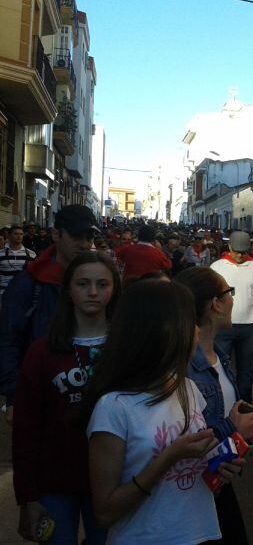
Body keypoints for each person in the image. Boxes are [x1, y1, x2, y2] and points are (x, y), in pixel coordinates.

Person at [84, 280, 243, 544]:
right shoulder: (114, 407)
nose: (196, 331)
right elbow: (104, 512)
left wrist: (221, 466)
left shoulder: (188, 389)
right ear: (162, 331)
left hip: (200, 533)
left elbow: (191, 473)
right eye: (189, 322)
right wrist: (168, 458)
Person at [13, 252, 120, 545]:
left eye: (103, 284)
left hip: (113, 481)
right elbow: (26, 427)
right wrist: (27, 496)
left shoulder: (125, 348)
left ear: (114, 289)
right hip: (55, 480)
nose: (93, 292)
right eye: (83, 283)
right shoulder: (42, 352)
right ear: (69, 289)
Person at [174, 266, 253, 545]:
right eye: (230, 293)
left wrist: (244, 429)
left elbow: (225, 408)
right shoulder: (185, 365)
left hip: (218, 485)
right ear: (216, 304)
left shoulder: (217, 354)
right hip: (193, 493)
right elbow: (178, 435)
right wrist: (233, 427)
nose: (233, 299)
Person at [0, 205, 98, 424]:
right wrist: (14, 396)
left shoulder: (99, 281)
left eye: (89, 236)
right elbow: (9, 340)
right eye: (75, 236)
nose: (84, 244)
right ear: (56, 234)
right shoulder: (29, 284)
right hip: (40, 395)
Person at [210, 231, 253, 401]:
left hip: (249, 328)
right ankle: (222, 404)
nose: (239, 255)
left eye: (244, 252)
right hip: (223, 328)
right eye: (236, 251)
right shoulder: (217, 267)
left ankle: (244, 405)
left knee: (246, 371)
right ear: (229, 247)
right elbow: (209, 294)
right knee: (220, 369)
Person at [0, 225, 36, 301]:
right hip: (4, 293)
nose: (19, 236)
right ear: (9, 236)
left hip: (23, 294)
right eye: (16, 234)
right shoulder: (1, 253)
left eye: (21, 234)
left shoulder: (31, 254)